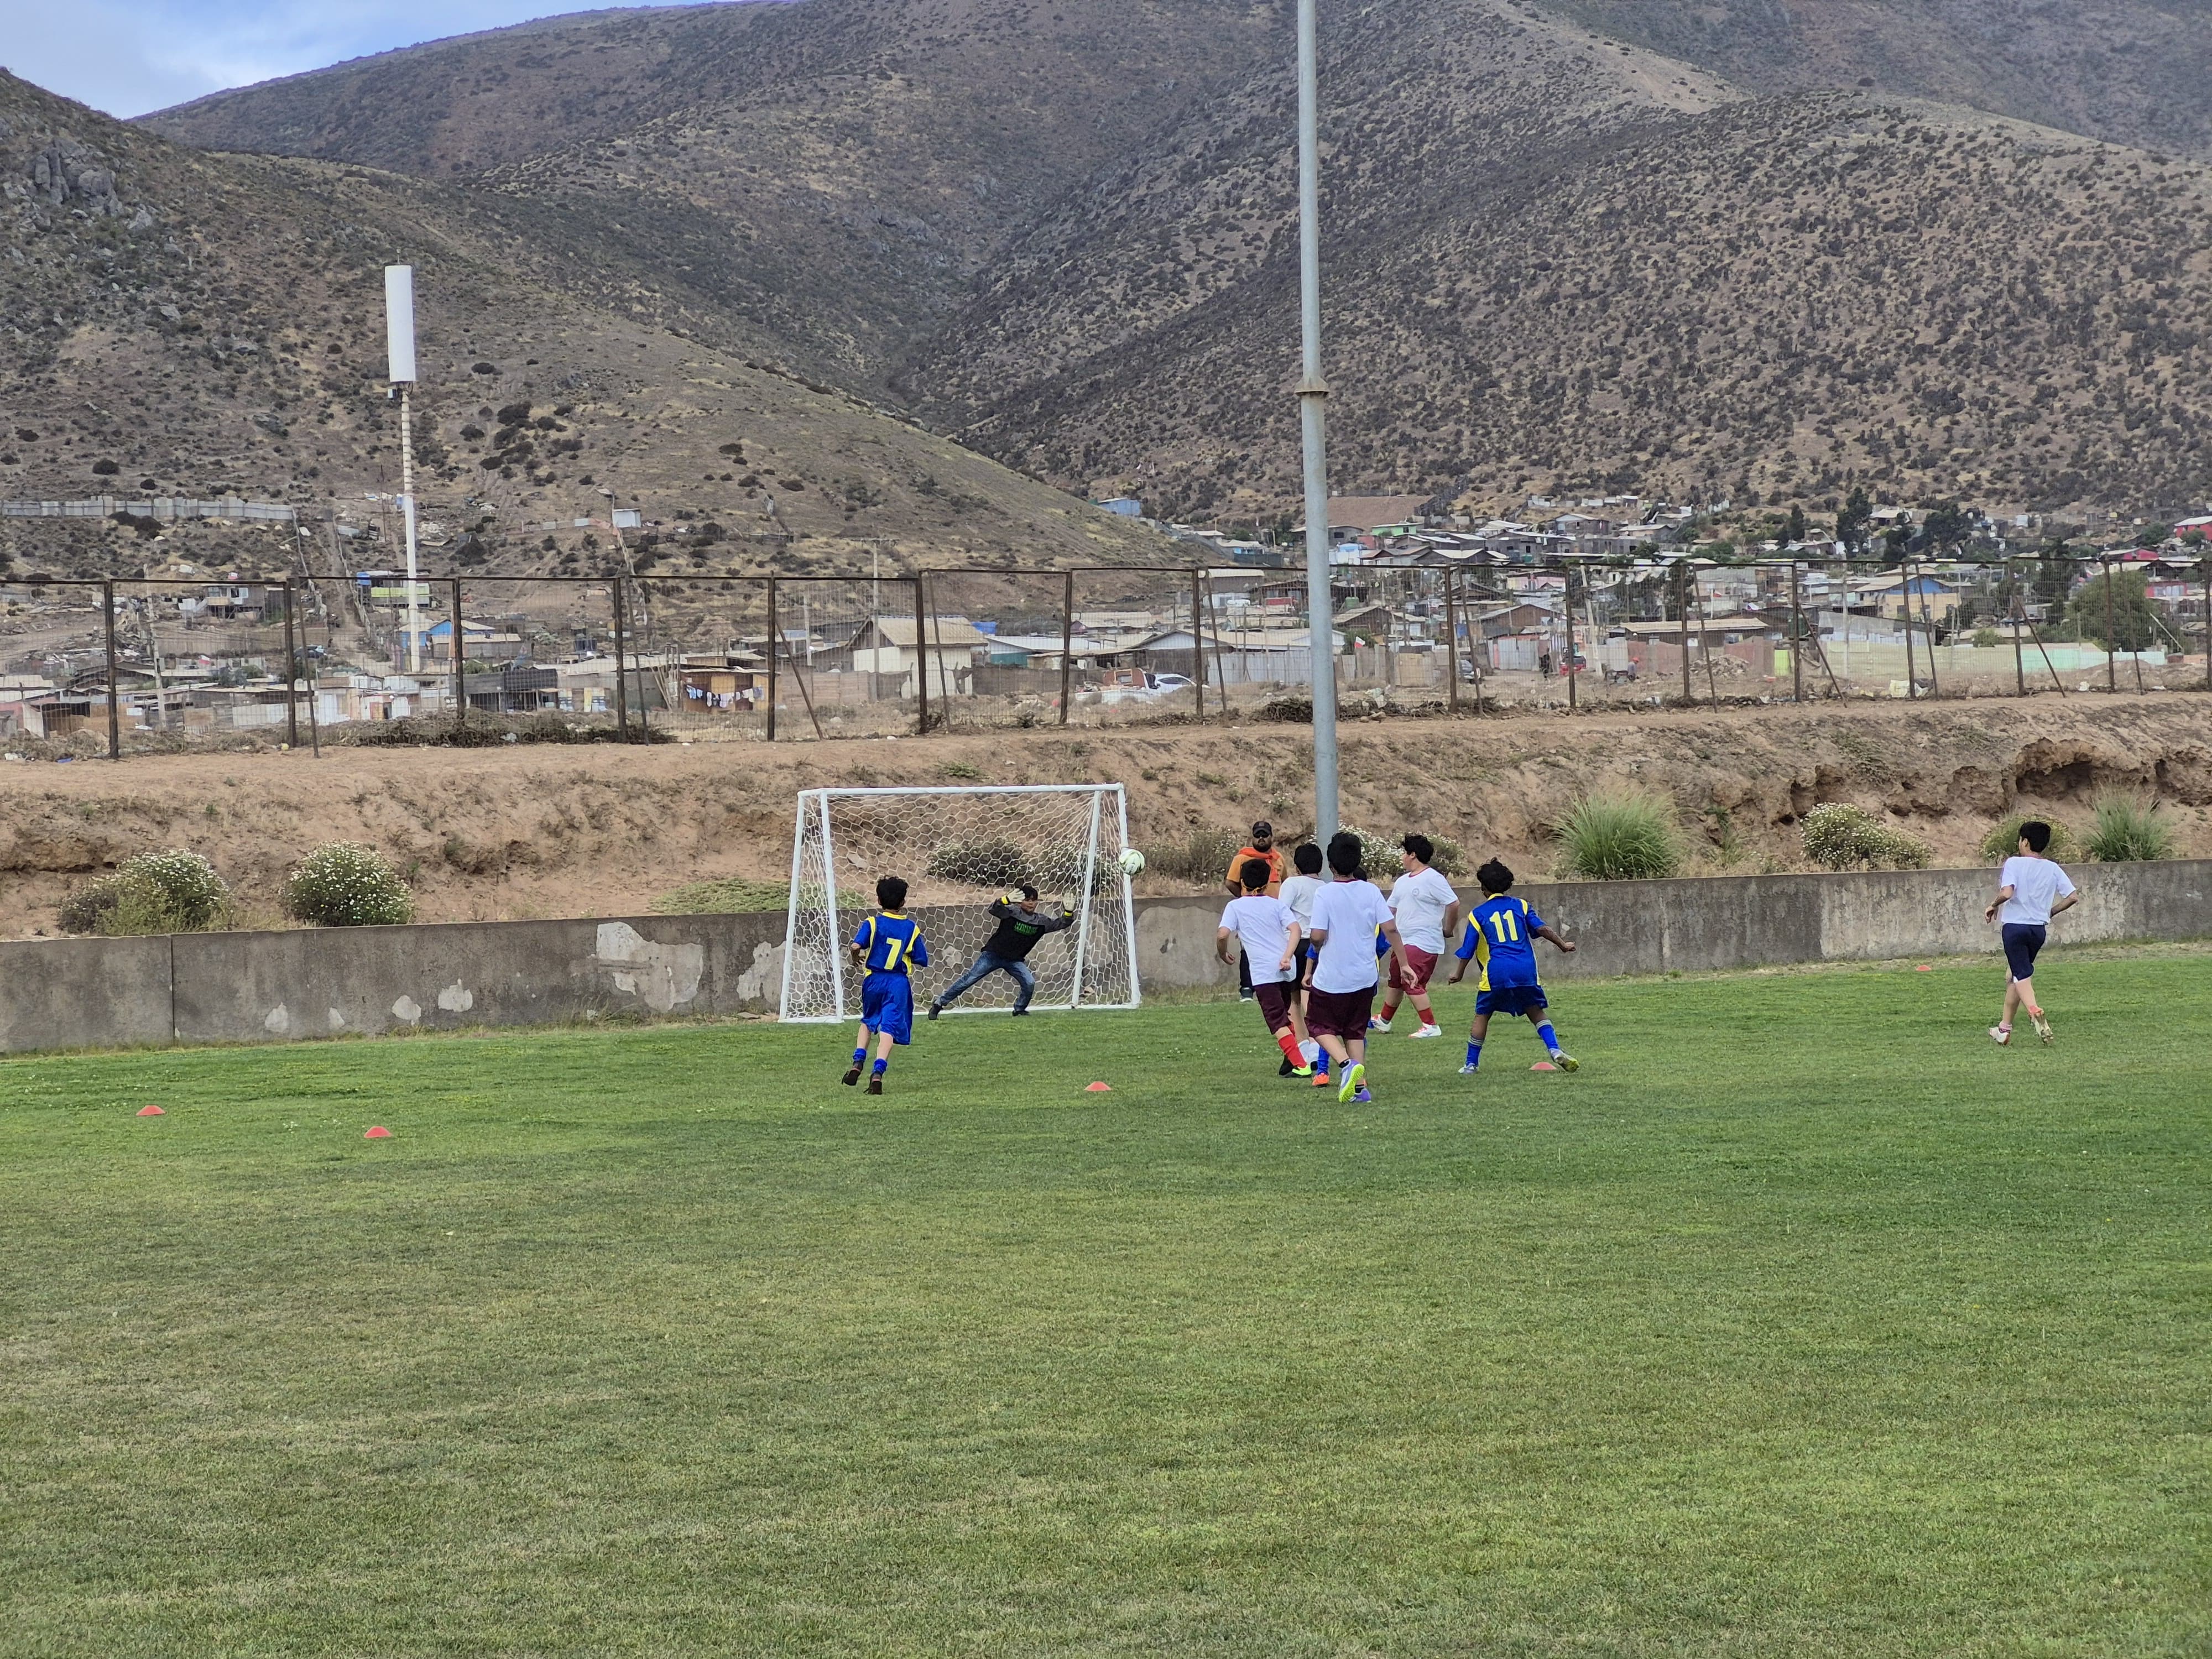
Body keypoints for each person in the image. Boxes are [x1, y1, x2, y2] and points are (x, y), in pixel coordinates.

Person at [1446, 858, 1578, 1074]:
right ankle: (1555, 1050)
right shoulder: (1521, 906)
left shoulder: (1478, 914)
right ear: (1507, 885)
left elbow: (1468, 950)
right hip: (1526, 970)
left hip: (1497, 971)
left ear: (1484, 888)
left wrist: (1458, 974)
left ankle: (1470, 1065)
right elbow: (1542, 929)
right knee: (1536, 1011)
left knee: (1483, 1014)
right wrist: (1563, 945)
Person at [1302, 831, 1402, 1104]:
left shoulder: (1325, 893)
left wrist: (1315, 947)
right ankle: (1360, 1090)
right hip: (1365, 976)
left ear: (1330, 864)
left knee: (1317, 1025)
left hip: (1333, 975)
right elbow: (1391, 929)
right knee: (1355, 1030)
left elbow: (1318, 936)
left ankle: (1346, 1065)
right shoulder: (1371, 891)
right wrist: (1404, 964)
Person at [1984, 819, 2078, 1045]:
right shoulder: (2052, 868)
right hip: (2038, 931)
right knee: (2015, 976)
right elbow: (2073, 897)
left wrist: (1993, 905)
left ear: (2025, 842)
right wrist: (2050, 912)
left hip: (2015, 929)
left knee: (2021, 975)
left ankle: (2034, 1010)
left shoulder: (2014, 863)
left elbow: (2008, 892)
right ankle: (2004, 1030)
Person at [1217, 858, 1311, 1077]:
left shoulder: (1235, 906)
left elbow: (1222, 934)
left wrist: (1223, 953)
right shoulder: (1276, 905)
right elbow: (1296, 930)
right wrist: (1287, 956)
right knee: (1284, 1016)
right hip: (1286, 970)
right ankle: (1290, 1062)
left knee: (1276, 1020)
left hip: (1264, 973)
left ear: (1242, 883)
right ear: (1268, 883)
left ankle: (1301, 1065)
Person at [928, 884, 1074, 1019]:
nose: (1031, 903)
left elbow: (1060, 924)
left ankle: (1019, 1010)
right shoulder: (1011, 912)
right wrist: (1005, 900)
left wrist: (1068, 912)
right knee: (969, 979)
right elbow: (993, 909)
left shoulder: (1041, 921)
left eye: (1034, 900)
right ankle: (938, 1004)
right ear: (1020, 901)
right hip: (993, 955)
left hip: (1014, 960)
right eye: (1027, 900)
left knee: (1029, 983)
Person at [844, 876, 928, 1094]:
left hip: (873, 980)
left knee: (868, 1021)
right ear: (903, 902)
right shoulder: (911, 928)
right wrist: (906, 954)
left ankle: (858, 1062)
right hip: (897, 983)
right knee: (889, 1028)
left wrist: (855, 957)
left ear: (879, 900)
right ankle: (878, 1073)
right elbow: (922, 959)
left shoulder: (872, 923)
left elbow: (855, 946)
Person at [1373, 833, 1459, 1039]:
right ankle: (1384, 1020)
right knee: (1396, 979)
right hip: (1402, 941)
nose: (1402, 857)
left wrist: (1448, 930)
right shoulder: (1402, 881)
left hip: (1423, 941)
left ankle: (1430, 1026)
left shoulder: (1433, 878)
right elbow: (1390, 909)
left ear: (1413, 855)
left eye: (1404, 853)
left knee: (1410, 981)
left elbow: (1454, 903)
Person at [1277, 842, 1326, 1078]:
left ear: (1296, 866)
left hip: (1297, 943)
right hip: (1319, 944)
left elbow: (1280, 912)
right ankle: (1312, 1048)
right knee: (1309, 995)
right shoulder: (1325, 887)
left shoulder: (1292, 884)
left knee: (1296, 1000)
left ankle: (1308, 1048)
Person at [1222, 820, 1285, 1000]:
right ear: (1252, 838)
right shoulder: (1242, 858)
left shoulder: (1278, 859)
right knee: (1248, 949)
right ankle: (1247, 989)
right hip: (1251, 911)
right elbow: (1230, 882)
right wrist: (1244, 898)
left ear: (1272, 837)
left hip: (1274, 911)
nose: (1261, 838)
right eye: (1258, 835)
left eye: (1265, 835)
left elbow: (1285, 882)